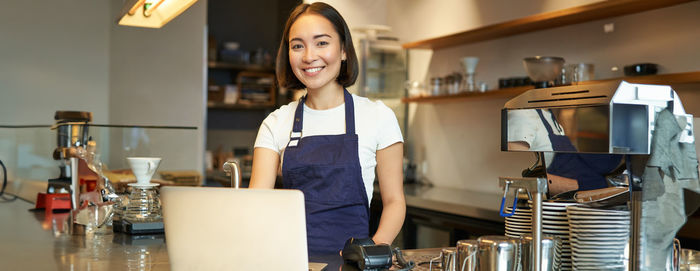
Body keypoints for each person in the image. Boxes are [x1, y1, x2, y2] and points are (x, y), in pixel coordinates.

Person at [249, 2, 406, 256]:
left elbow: (395, 202)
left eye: (321, 43)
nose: (309, 56)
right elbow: (257, 206)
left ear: (343, 50)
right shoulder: (276, 123)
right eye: (297, 45)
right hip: (291, 260)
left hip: (355, 263)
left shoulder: (378, 117)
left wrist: (372, 252)